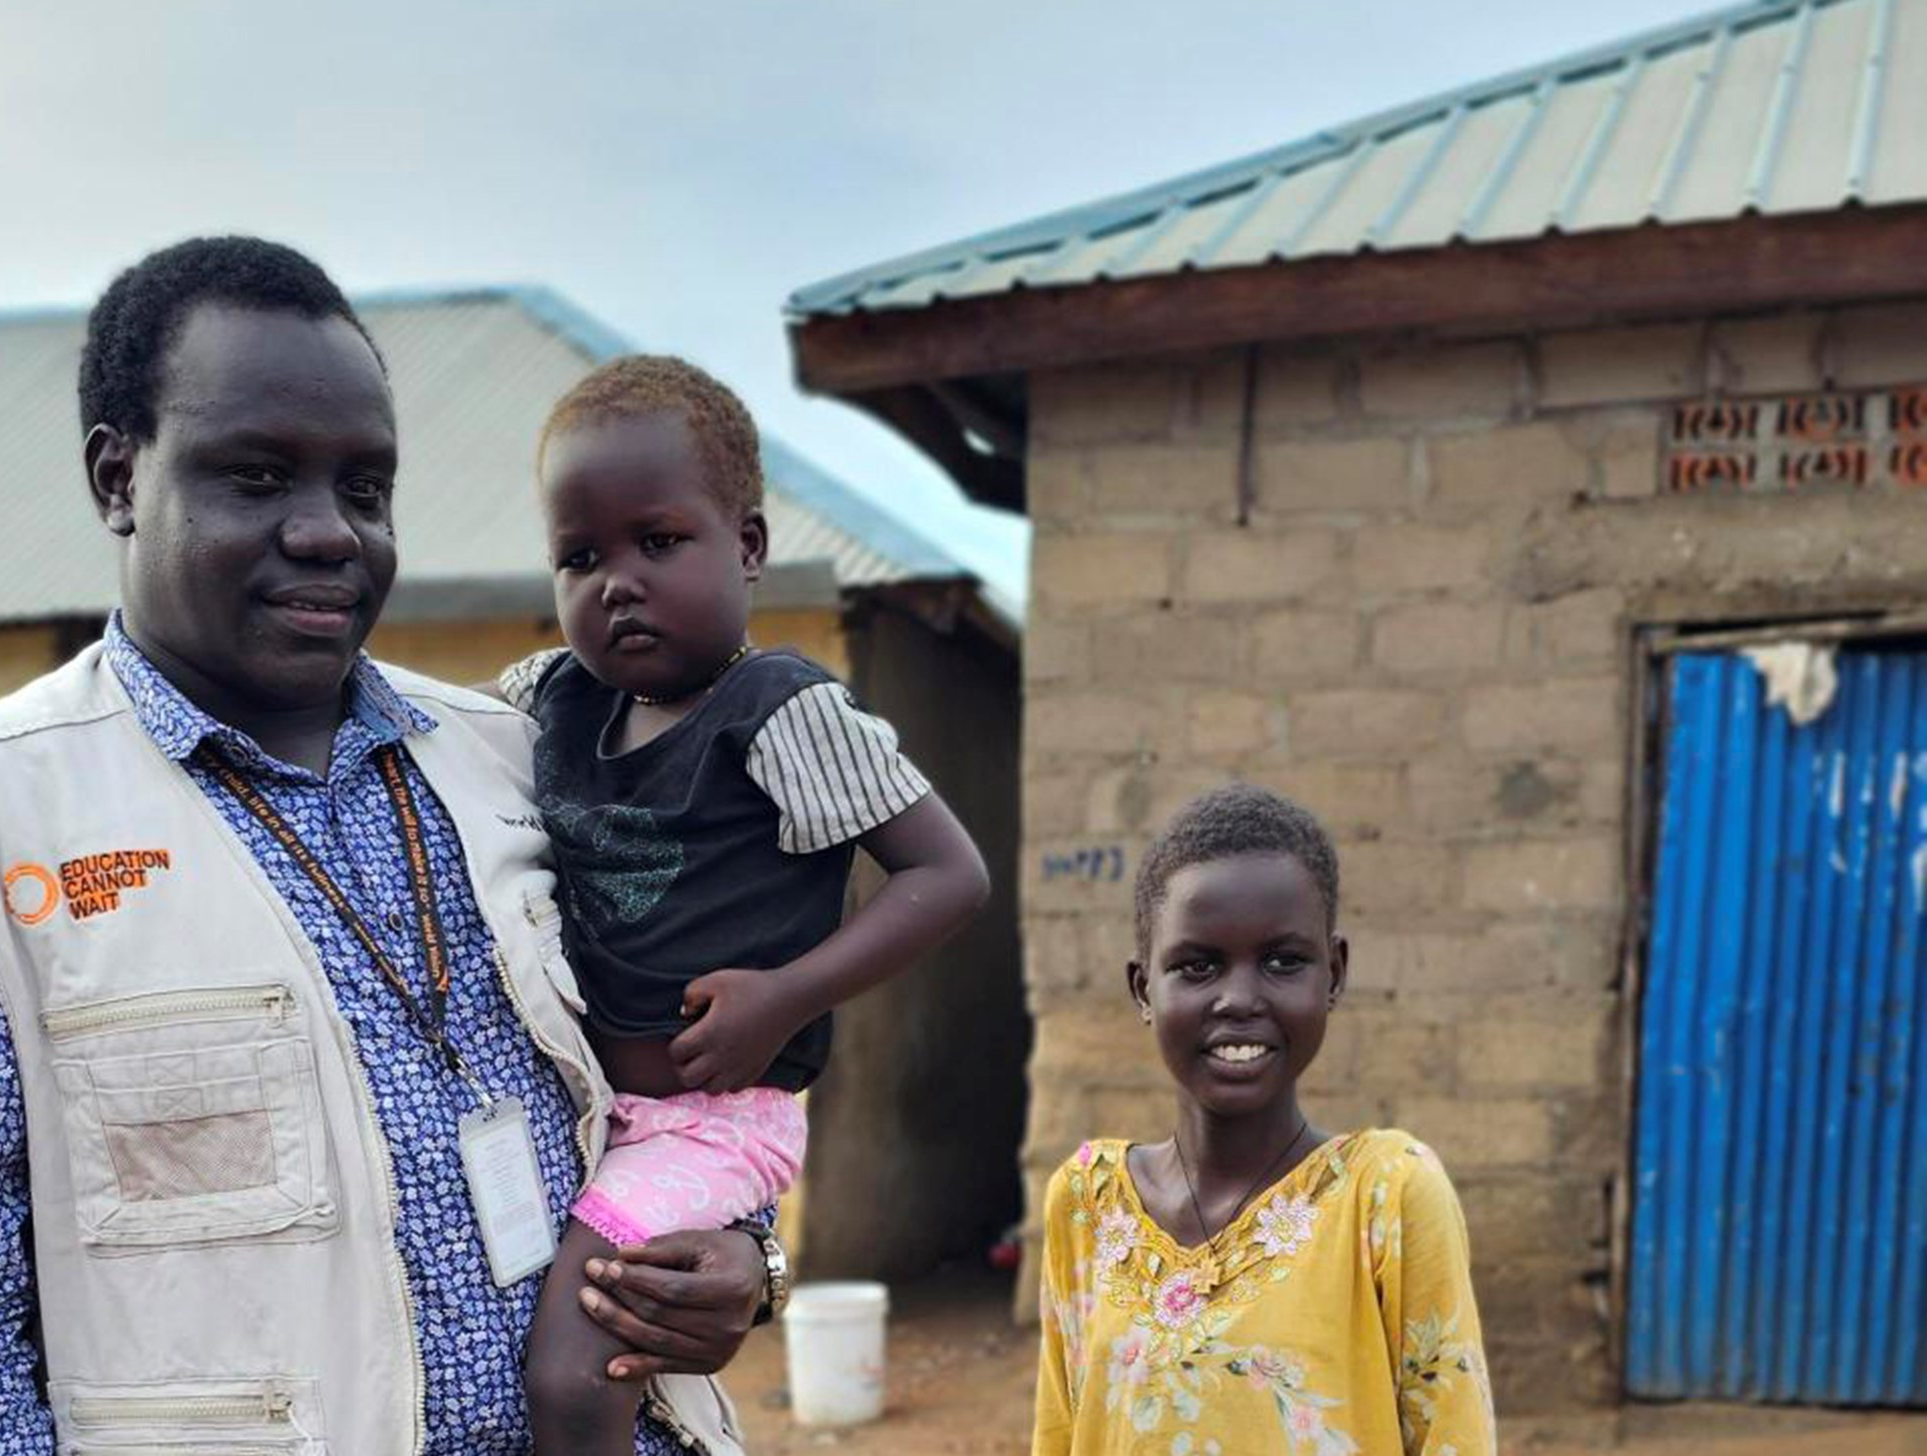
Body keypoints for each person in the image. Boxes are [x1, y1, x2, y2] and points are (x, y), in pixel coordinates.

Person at [0, 237, 773, 1455]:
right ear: (119, 477)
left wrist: (749, 1255)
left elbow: (682, 1082)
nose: (329, 533)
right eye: (259, 476)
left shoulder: (526, 756)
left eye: (365, 489)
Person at [485, 355, 991, 1453]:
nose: (617, 580)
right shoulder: (549, 704)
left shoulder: (781, 713)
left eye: (658, 541)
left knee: (575, 1371)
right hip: (588, 1109)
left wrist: (784, 996)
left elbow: (948, 874)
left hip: (716, 1120)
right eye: (581, 556)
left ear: (747, 546)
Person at [1032, 783, 1493, 1456]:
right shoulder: (1087, 1204)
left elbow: (1454, 1438)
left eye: (1283, 961)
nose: (1239, 999)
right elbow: (1062, 1435)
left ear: (1332, 974)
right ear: (1143, 990)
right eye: (1197, 966)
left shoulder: (1386, 1197)